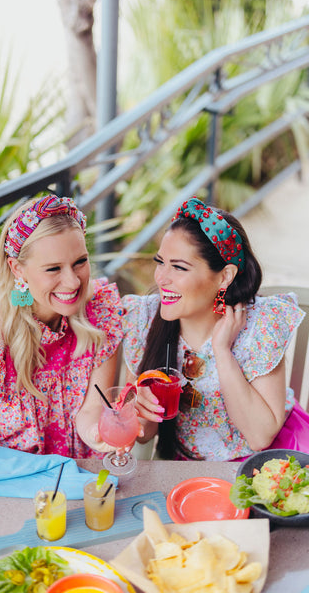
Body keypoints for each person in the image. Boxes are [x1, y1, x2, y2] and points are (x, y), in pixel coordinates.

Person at [122, 197, 307, 461]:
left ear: (225, 276)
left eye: (178, 267)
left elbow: (259, 437)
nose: (161, 278)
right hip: (189, 471)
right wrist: (139, 409)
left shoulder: (260, 325)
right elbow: (144, 434)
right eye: (160, 261)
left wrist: (222, 351)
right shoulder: (143, 319)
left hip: (271, 461)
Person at [0, 194, 123, 457]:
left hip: (68, 480)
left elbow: (91, 410)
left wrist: (99, 433)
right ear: (18, 269)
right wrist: (47, 473)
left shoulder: (99, 314)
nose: (73, 282)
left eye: (80, 262)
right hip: (1, 481)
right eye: (53, 269)